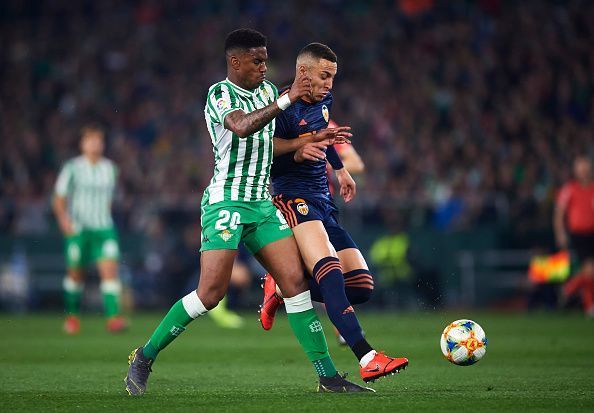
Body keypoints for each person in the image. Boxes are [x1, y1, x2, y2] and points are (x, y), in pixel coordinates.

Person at [124, 29, 372, 396]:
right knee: (210, 294)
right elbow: (241, 127)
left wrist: (306, 143)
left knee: (295, 284)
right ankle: (144, 357)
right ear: (235, 62)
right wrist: (287, 100)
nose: (263, 66)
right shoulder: (219, 94)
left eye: (266, 59)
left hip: (261, 204)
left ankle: (328, 377)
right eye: (257, 60)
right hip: (226, 203)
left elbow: (273, 142)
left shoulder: (271, 92)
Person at [258, 43, 408, 383]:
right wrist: (297, 154)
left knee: (361, 285)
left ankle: (280, 285)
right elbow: (266, 156)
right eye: (324, 76)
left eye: (333, 77)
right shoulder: (281, 108)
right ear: (303, 74)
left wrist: (339, 170)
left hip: (324, 200)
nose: (329, 84)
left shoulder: (324, 100)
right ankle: (367, 356)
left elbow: (324, 137)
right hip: (292, 197)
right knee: (329, 270)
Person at [53, 124, 127, 334]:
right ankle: (72, 317)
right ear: (82, 144)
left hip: (104, 229)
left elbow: (111, 200)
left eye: (98, 140)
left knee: (110, 271)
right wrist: (63, 219)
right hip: (78, 229)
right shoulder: (72, 168)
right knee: (76, 274)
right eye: (90, 140)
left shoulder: (111, 169)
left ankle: (113, 318)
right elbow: (59, 198)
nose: (95, 144)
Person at [554, 155, 594, 316]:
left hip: (592, 233)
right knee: (589, 270)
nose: (583, 172)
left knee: (588, 272)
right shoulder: (569, 189)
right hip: (579, 235)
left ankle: (589, 306)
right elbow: (559, 213)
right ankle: (569, 289)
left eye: (586, 168)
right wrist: (560, 233)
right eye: (580, 169)